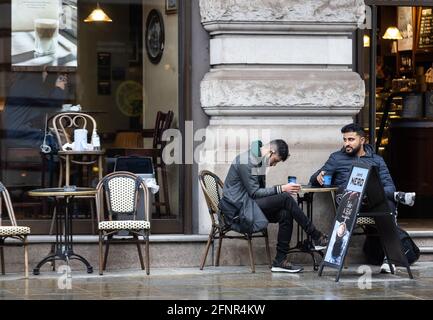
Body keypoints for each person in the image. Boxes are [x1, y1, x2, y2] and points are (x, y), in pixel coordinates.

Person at [309, 123, 414, 273]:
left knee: (389, 203)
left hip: (374, 203)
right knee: (385, 200)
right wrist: (317, 177)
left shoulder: (377, 160)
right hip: (349, 204)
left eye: (351, 139)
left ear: (362, 140)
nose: (347, 144)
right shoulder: (336, 158)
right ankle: (399, 197)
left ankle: (388, 260)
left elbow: (389, 185)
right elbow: (314, 179)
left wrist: (374, 193)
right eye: (345, 140)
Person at [220, 139, 329, 274]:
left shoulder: (258, 160)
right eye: (275, 161)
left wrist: (280, 192)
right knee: (285, 198)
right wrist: (281, 189)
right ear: (270, 152)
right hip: (238, 211)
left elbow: (258, 194)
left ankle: (280, 261)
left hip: (248, 205)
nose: (274, 165)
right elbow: (255, 193)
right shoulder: (246, 161)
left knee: (285, 212)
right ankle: (316, 235)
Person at [2, 67, 68, 148]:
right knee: (61, 141)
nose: (46, 74)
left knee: (59, 136)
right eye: (44, 71)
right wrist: (60, 88)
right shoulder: (29, 85)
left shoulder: (23, 83)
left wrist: (50, 131)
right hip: (19, 134)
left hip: (15, 132)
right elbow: (52, 105)